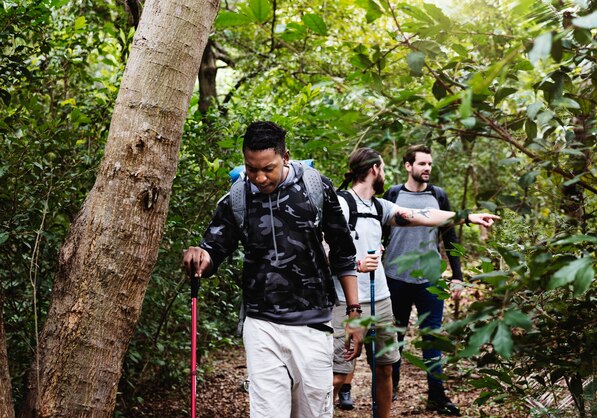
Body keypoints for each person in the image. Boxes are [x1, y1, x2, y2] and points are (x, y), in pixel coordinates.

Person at [182, 121, 363, 418]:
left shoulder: (316, 188)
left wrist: (354, 314)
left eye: (268, 168)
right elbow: (214, 248)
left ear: (286, 156)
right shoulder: (238, 197)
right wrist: (200, 256)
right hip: (261, 323)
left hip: (313, 321)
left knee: (314, 413)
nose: (260, 177)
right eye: (252, 169)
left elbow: (343, 254)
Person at [331, 148, 499, 418]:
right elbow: (321, 249)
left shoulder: (380, 206)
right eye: (383, 168)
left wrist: (467, 217)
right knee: (337, 375)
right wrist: (356, 265)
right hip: (344, 300)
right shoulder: (339, 204)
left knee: (385, 367)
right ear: (375, 169)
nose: (384, 173)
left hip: (381, 298)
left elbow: (424, 215)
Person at [382, 144, 467, 416]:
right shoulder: (393, 194)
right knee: (395, 337)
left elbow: (450, 238)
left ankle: (437, 397)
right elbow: (381, 231)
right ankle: (390, 389)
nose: (427, 168)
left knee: (432, 339)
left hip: (430, 280)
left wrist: (458, 275)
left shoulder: (438, 196)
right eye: (421, 164)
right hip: (395, 278)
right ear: (408, 166)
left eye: (429, 164)